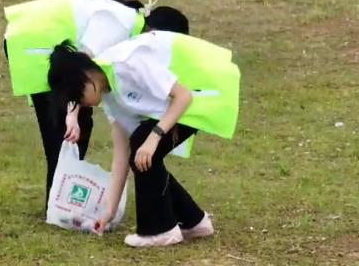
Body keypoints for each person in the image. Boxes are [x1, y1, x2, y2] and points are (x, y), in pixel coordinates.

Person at [46, 31, 241, 247]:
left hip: (205, 90)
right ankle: (194, 221)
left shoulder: (127, 64)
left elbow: (183, 96)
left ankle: (159, 230)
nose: (82, 105)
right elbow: (122, 154)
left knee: (143, 144)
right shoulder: (110, 94)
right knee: (142, 150)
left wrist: (154, 137)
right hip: (190, 99)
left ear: (87, 77)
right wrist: (109, 211)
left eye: (79, 97)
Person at [2, 0, 190, 213]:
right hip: (33, 40)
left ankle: (61, 200)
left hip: (41, 40)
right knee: (63, 129)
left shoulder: (129, 33)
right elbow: (81, 66)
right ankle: (59, 205)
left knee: (76, 124)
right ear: (154, 33)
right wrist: (71, 114)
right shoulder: (118, 25)